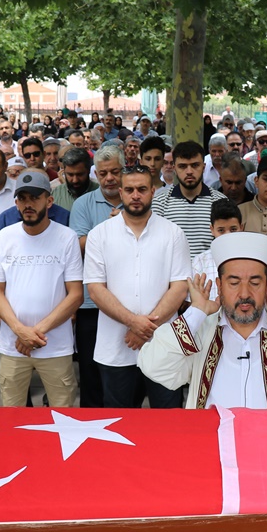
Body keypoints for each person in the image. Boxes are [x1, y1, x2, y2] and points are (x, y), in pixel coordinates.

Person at [138, 232, 267, 409]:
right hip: (213, 440)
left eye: (255, 283)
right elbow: (154, 367)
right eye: (234, 283)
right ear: (219, 286)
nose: (245, 293)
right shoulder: (200, 331)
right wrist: (196, 313)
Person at [82, 166, 190, 409]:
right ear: (120, 192)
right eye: (129, 190)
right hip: (116, 347)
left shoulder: (173, 233)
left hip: (164, 347)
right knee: (119, 423)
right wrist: (133, 322)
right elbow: (96, 289)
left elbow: (180, 287)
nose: (135, 195)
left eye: (142, 189)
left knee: (168, 421)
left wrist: (143, 328)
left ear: (153, 191)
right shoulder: (99, 235)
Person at [0, 171, 84, 409]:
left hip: (55, 346)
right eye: (22, 198)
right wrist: (20, 331)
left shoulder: (67, 237)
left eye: (34, 198)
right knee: (11, 417)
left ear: (49, 201)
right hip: (12, 345)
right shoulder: (5, 237)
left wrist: (34, 334)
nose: (28, 204)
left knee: (62, 416)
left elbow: (75, 294)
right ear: (16, 203)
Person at [68, 145, 126, 408]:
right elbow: (79, 244)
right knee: (90, 370)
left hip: (129, 301)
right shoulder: (83, 203)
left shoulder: (137, 201)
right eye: (103, 173)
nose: (109, 178)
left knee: (125, 370)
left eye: (115, 171)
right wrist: (112, 227)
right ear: (96, 174)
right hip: (91, 304)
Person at [153, 140, 217, 256]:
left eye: (195, 165)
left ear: (203, 167)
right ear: (174, 168)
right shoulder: (159, 203)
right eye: (182, 166)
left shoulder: (219, 202)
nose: (189, 172)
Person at [190, 198, 244, 296]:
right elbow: (193, 300)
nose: (227, 235)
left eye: (233, 229)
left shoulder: (251, 259)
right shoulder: (200, 262)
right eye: (221, 230)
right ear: (212, 230)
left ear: (241, 228)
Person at [51, 146, 96, 212]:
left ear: (88, 170)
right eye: (70, 175)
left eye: (79, 174)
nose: (75, 180)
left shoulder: (101, 192)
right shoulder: (55, 194)